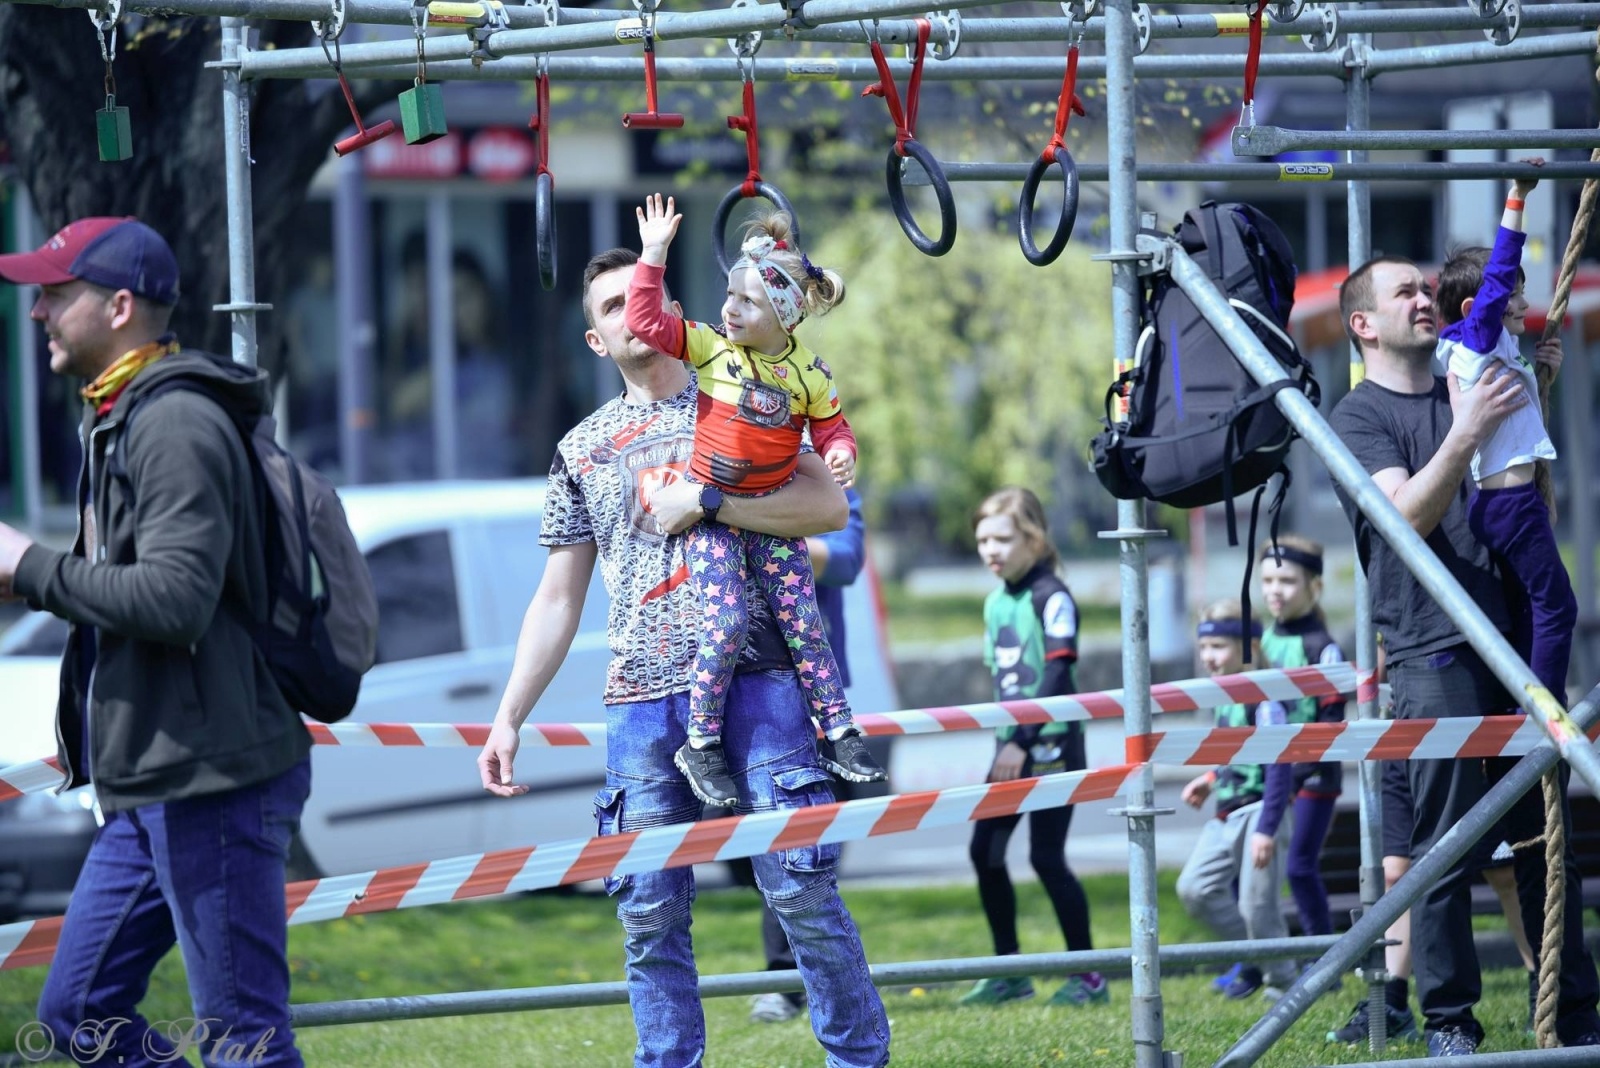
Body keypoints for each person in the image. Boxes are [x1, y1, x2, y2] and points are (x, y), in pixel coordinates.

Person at [476, 246, 890, 1068]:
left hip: (761, 680)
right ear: (598, 339)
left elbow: (829, 508)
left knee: (800, 888)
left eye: (643, 291)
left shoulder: (744, 385)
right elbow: (557, 598)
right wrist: (507, 717)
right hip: (640, 699)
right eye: (608, 306)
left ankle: (860, 1060)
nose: (632, 308)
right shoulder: (580, 449)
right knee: (649, 912)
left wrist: (711, 500)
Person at [0, 217, 313, 1066]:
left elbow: (175, 600)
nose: (37, 312)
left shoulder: (174, 422)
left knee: (245, 1039)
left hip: (214, 777)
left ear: (120, 307)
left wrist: (31, 568)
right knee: (76, 1013)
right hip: (154, 783)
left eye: (56, 294)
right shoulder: (122, 415)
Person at [1328, 252, 1600, 1055]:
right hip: (1433, 647)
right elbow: (1404, 515)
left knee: (1544, 838)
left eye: (1425, 287)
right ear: (1364, 325)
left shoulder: (1468, 371)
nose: (1425, 298)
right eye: (1404, 291)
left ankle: (1576, 1007)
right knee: (1447, 844)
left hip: (1516, 641)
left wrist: (1526, 381)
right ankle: (1450, 1021)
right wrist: (1468, 430)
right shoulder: (1359, 417)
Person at [626, 193, 885, 808]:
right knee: (726, 624)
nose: (731, 308)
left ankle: (839, 729)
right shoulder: (712, 348)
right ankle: (702, 743)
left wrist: (843, 451)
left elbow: (831, 428)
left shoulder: (809, 375)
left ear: (786, 316)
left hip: (771, 522)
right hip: (712, 520)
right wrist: (654, 254)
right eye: (731, 294)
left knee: (806, 625)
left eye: (748, 301)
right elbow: (645, 322)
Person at [957, 487, 1108, 1008]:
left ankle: (1089, 976)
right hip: (1011, 747)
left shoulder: (1053, 595)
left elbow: (1059, 670)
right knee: (986, 851)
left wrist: (1021, 740)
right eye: (982, 540)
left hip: (1049, 748)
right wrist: (1008, 741)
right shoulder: (995, 600)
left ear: (1034, 538)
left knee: (1046, 857)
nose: (990, 550)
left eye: (1002, 538)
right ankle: (1010, 971)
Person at [1433, 162, 1573, 706]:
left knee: (1531, 609)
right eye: (1513, 295)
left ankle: (1527, 707)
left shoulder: (1490, 352)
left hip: (1508, 502)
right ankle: (1547, 716)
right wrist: (1518, 196)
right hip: (1512, 505)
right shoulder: (1474, 344)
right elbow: (1495, 277)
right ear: (1475, 312)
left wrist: (1543, 376)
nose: (1521, 302)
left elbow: (1514, 420)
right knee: (1558, 606)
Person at [746, 485, 869, 1025]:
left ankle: (829, 987)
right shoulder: (733, 482)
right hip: (751, 691)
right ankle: (784, 981)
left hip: (815, 697)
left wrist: (765, 526)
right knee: (775, 840)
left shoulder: (830, 485)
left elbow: (845, 560)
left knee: (808, 848)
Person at [1177, 598, 1296, 1003]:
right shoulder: (1223, 695)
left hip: (1261, 812)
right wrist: (1210, 778)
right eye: (1204, 648)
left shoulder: (1264, 697)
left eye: (1219, 648)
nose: (1209, 657)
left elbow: (1279, 765)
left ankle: (1283, 982)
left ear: (1247, 647)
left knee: (1257, 907)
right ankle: (1258, 958)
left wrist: (1267, 828)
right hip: (1225, 813)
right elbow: (1237, 756)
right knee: (1194, 888)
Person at [1257, 536, 1346, 943]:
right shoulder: (1262, 641)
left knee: (1298, 867)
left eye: (1287, 581)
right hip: (1273, 775)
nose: (1275, 590)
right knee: (1262, 871)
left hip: (1313, 777)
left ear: (1314, 587)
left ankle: (1322, 954)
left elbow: (1331, 721)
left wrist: (1296, 775)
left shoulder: (1323, 648)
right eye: (1268, 580)